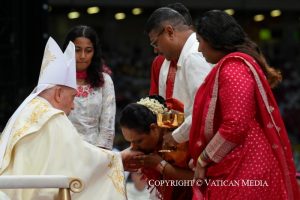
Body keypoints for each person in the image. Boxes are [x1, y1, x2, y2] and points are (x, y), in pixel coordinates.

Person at [0, 37, 140, 200]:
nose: (73, 106)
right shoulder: (51, 117)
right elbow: (78, 158)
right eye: (73, 97)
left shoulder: (28, 110)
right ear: (58, 93)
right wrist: (118, 159)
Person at [190, 10, 300, 199]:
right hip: (244, 167)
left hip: (247, 171)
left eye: (200, 41)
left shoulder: (233, 69)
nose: (199, 49)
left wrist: (204, 159)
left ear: (214, 39)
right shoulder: (234, 66)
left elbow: (235, 126)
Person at [145, 6, 212, 148]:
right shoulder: (167, 61)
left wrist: (175, 137)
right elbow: (174, 112)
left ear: (169, 32)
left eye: (155, 43)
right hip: (182, 145)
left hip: (201, 144)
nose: (155, 49)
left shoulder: (195, 55)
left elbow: (205, 112)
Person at [120, 95, 193, 200]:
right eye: (131, 142)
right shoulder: (155, 128)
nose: (134, 147)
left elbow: (201, 179)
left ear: (153, 128)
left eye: (139, 141)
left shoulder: (181, 134)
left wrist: (160, 165)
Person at [63, 25, 115, 150]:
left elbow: (107, 124)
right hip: (62, 150)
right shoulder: (56, 80)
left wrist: (100, 156)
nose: (82, 56)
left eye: (88, 50)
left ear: (95, 52)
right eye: (77, 50)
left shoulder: (105, 81)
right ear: (68, 50)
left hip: (94, 152)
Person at [149, 2, 194, 96]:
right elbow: (155, 103)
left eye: (156, 43)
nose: (156, 50)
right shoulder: (160, 61)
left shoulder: (197, 55)